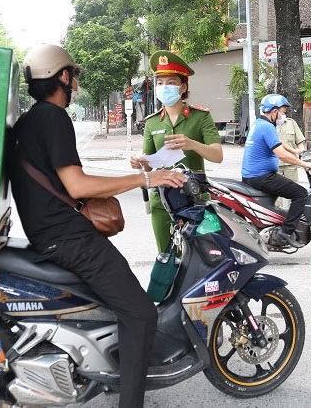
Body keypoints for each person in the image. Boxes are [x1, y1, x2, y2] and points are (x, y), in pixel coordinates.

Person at [9, 44, 187, 408]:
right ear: (62, 76)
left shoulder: (30, 120)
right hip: (67, 237)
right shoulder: (53, 118)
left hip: (49, 232)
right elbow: (77, 185)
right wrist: (146, 180)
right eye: (73, 75)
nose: (75, 83)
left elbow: (66, 180)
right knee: (140, 312)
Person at [130, 50, 223, 253]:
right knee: (166, 256)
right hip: (162, 200)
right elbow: (149, 163)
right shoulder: (152, 121)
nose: (164, 88)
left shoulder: (200, 117)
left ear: (182, 87)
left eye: (170, 82)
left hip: (194, 198)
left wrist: (193, 144)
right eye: (160, 83)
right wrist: (140, 161)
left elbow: (217, 155)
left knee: (201, 258)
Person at [241, 94, 311, 248]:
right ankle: (286, 233)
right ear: (274, 111)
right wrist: (304, 164)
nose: (284, 115)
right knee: (300, 193)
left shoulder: (259, 124)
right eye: (282, 111)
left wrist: (296, 151)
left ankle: (270, 230)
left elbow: (279, 143)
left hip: (253, 176)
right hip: (262, 177)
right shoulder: (267, 126)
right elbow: (281, 154)